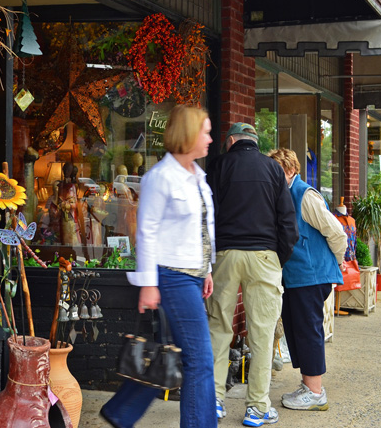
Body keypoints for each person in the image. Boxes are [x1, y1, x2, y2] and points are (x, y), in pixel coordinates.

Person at [100, 105, 217, 428]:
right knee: (200, 360)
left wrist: (207, 269)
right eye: (205, 132)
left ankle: (121, 411)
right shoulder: (160, 178)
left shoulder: (198, 176)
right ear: (189, 134)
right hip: (173, 276)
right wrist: (148, 284)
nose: (210, 139)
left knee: (172, 350)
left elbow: (202, 229)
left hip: (192, 275)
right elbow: (146, 232)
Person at [205, 122, 298, 427]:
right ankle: (257, 408)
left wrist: (210, 257)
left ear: (231, 141)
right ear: (255, 142)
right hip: (264, 255)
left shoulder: (218, 166)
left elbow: (207, 215)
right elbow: (288, 221)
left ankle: (214, 401)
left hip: (225, 255)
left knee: (219, 328)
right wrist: (278, 258)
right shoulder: (273, 169)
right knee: (262, 333)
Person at [268, 148, 346, 411]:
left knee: (308, 331)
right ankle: (308, 385)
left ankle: (315, 393)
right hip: (297, 277)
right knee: (297, 329)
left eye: (277, 170)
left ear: (290, 170)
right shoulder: (283, 194)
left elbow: (336, 232)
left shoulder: (305, 195)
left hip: (311, 276)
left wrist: (337, 261)